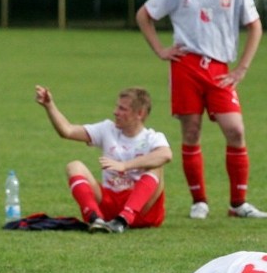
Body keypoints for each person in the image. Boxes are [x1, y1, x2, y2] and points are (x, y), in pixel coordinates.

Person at [135, 0, 267, 221]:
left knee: (235, 130)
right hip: (186, 65)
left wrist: (243, 67)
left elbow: (255, 26)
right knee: (191, 131)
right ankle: (199, 201)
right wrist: (160, 49)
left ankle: (238, 203)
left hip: (221, 68)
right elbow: (144, 15)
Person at [34, 85, 172, 233]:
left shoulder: (152, 137)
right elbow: (67, 131)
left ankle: (123, 219)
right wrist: (49, 106)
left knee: (157, 165)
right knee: (74, 166)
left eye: (122, 109)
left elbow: (166, 155)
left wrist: (124, 166)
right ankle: (96, 219)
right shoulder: (107, 129)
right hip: (109, 204)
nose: (115, 112)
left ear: (139, 113)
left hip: (142, 211)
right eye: (117, 107)